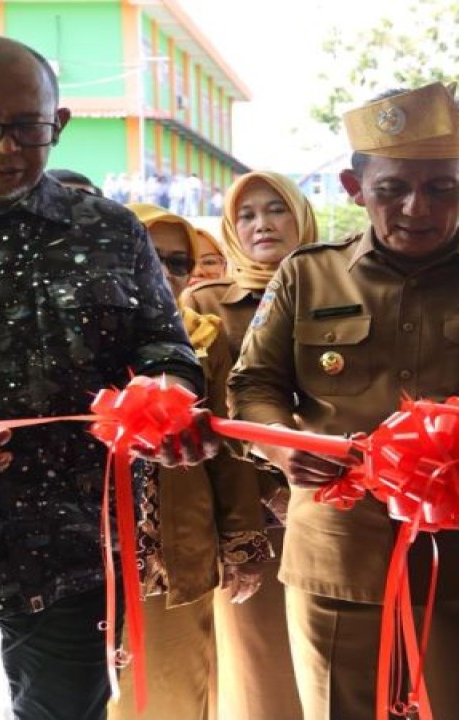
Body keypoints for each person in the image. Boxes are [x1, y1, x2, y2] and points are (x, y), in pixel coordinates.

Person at [0, 36, 215, 720]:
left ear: (58, 123)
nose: (9, 147)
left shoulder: (110, 230)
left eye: (30, 127)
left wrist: (166, 401)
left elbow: (165, 349)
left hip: (73, 555)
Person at [227, 81, 459, 720]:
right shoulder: (308, 274)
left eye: (441, 189)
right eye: (391, 189)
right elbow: (253, 385)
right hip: (340, 550)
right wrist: (285, 448)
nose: (417, 208)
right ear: (354, 186)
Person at [111, 204, 272, 720]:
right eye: (147, 256)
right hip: (81, 554)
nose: (162, 272)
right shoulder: (73, 338)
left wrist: (243, 541)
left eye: (178, 262)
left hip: (175, 552)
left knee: (172, 694)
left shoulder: (203, 339)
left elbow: (229, 453)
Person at [180, 170, 317, 720]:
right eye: (247, 215)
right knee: (261, 670)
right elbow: (205, 416)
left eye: (275, 210)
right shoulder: (209, 303)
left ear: (301, 216)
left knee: (347, 663)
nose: (262, 224)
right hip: (254, 520)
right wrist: (264, 493)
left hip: (341, 505)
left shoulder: (347, 288)